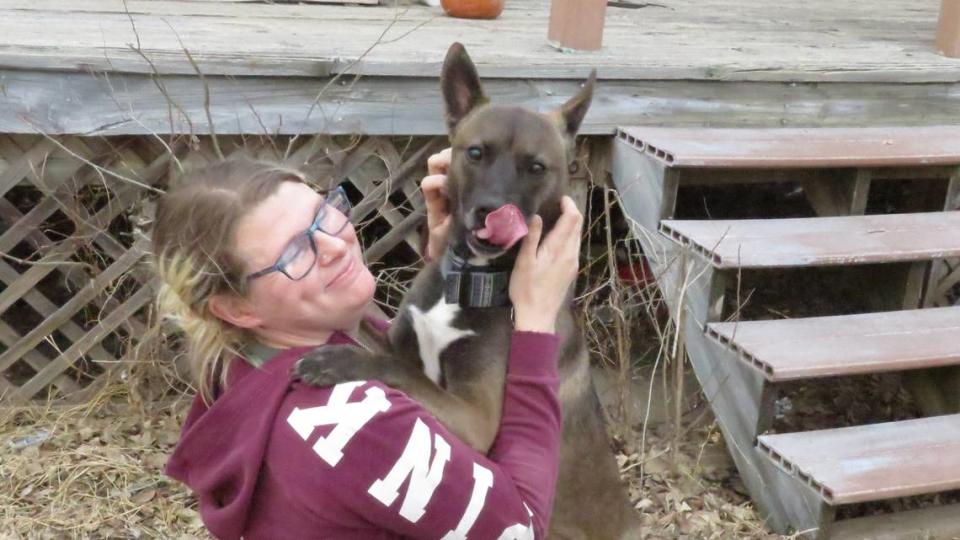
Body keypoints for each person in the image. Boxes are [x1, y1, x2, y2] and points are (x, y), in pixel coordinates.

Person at [154, 150, 583, 539]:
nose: (334, 245)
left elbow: (436, 399)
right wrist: (536, 322)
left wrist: (455, 268)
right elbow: (519, 528)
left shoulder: (250, 364)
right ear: (237, 309)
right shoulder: (355, 422)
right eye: (293, 253)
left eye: (323, 214)